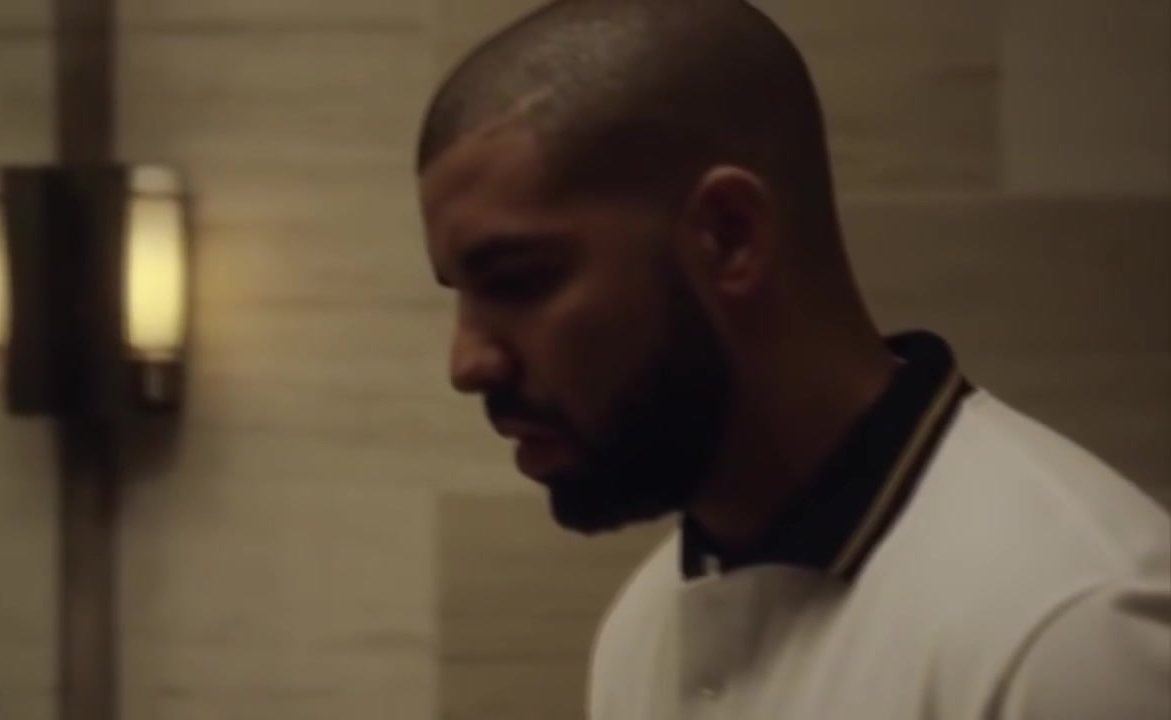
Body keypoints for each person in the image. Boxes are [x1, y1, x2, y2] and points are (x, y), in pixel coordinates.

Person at [412, 0, 1171, 717]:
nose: (467, 363)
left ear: (729, 235)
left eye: (517, 280)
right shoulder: (644, 628)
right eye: (460, 293)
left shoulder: (1070, 632)